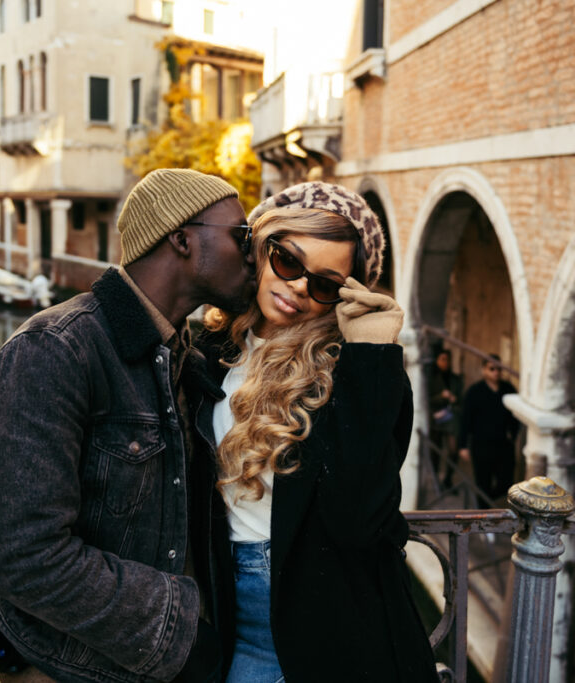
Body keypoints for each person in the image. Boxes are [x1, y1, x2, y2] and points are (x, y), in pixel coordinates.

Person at [0, 168, 257, 683]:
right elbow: (24, 557)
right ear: (182, 240)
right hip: (76, 670)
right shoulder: (53, 351)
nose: (253, 252)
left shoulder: (181, 355)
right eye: (242, 236)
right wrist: (179, 632)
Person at [190, 182, 438, 682]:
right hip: (220, 613)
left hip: (329, 620)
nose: (301, 286)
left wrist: (369, 355)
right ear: (260, 249)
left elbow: (360, 521)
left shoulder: (356, 376)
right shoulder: (206, 350)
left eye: (325, 284)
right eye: (288, 261)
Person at [458, 355, 519, 508]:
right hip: (481, 445)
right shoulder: (474, 392)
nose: (496, 373)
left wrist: (513, 435)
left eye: (499, 369)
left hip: (503, 444)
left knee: (506, 482)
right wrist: (462, 445)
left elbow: (516, 416)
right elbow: (465, 419)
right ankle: (484, 521)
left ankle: (487, 502)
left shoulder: (508, 390)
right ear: (484, 370)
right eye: (492, 369)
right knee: (483, 482)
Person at [428, 348, 463, 489]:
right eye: (442, 359)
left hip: (451, 418)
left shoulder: (455, 378)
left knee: (453, 451)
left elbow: (461, 398)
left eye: (447, 359)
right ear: (437, 361)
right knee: (435, 451)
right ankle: (436, 481)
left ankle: (448, 479)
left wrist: (454, 399)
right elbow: (425, 399)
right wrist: (441, 396)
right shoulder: (431, 378)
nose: (445, 363)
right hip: (435, 418)